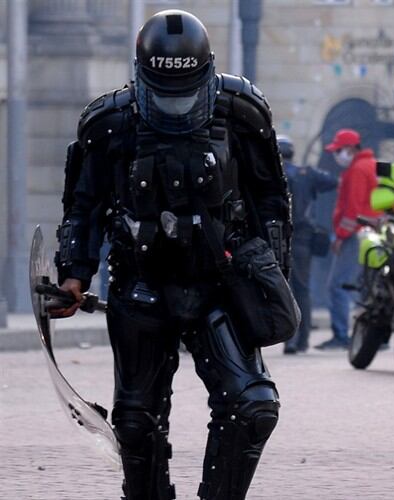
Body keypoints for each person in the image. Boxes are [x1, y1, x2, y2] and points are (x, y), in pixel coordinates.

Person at [49, 11, 292, 500]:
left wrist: (273, 274)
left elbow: (271, 198)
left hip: (222, 282)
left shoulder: (242, 110)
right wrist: (74, 274)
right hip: (142, 285)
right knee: (137, 422)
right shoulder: (108, 122)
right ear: (143, 73)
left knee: (253, 406)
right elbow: (84, 205)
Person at [316, 128, 381, 350]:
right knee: (369, 285)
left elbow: (352, 208)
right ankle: (376, 337)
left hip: (355, 234)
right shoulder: (372, 165)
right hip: (371, 234)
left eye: (339, 150)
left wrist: (341, 236)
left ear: (352, 148)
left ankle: (341, 335)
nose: (337, 155)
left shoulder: (357, 170)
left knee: (337, 285)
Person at [279, 135, 338, 354]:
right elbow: (332, 182)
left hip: (276, 239)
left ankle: (289, 338)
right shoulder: (306, 174)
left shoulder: (268, 172)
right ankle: (301, 340)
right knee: (302, 289)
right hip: (302, 237)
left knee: (282, 289)